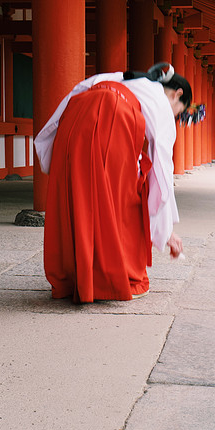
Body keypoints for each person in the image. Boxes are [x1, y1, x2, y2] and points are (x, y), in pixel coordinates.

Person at [34, 62, 190, 303]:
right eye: (178, 111)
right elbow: (162, 166)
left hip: (74, 119)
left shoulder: (117, 77)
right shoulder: (158, 97)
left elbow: (71, 96)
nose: (174, 116)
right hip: (114, 117)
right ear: (177, 93)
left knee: (79, 196)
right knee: (125, 198)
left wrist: (52, 156)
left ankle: (76, 275)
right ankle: (114, 275)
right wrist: (165, 228)